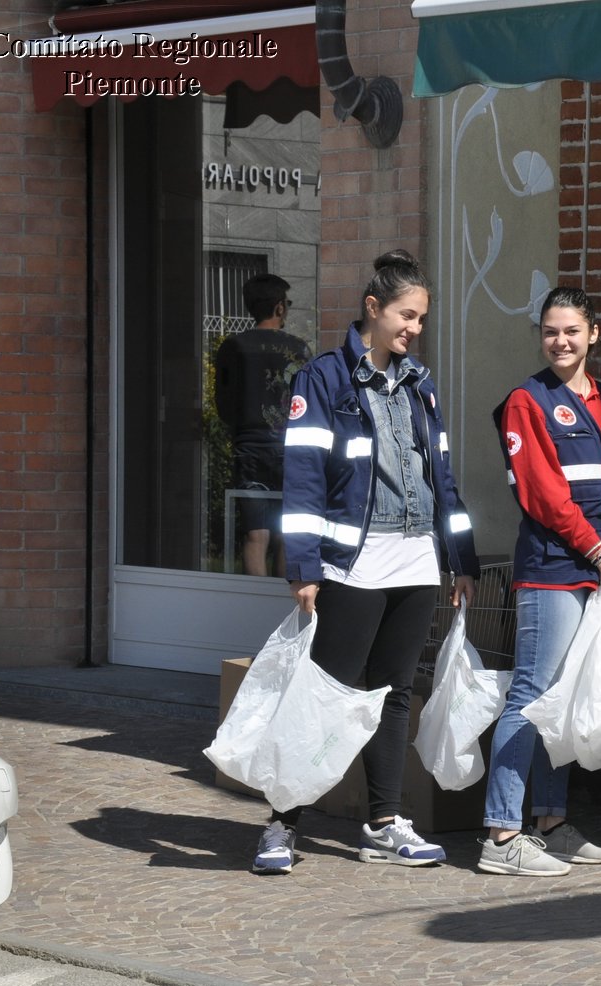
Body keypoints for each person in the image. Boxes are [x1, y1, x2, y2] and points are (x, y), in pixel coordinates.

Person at [251, 250, 479, 875]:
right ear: (373, 310)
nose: (414, 329)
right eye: (406, 316)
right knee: (323, 696)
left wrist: (459, 557)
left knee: (393, 695)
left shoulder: (422, 385)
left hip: (415, 562)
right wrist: (303, 566)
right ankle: (281, 822)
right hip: (353, 563)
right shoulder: (323, 379)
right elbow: (301, 480)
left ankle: (383, 823)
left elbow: (443, 478)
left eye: (422, 319)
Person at [481, 286, 601, 876]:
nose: (561, 341)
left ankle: (549, 823)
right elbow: (544, 496)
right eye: (551, 331)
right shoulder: (526, 401)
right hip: (555, 572)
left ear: (594, 334)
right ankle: (502, 835)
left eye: (572, 331)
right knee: (531, 696)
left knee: (564, 700)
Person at [214, 273, 312, 577]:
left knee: (256, 535)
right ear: (280, 307)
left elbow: (224, 403)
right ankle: (280, 608)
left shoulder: (233, 346)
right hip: (290, 450)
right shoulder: (299, 349)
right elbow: (308, 402)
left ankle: (251, 606)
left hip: (249, 448)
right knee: (287, 535)